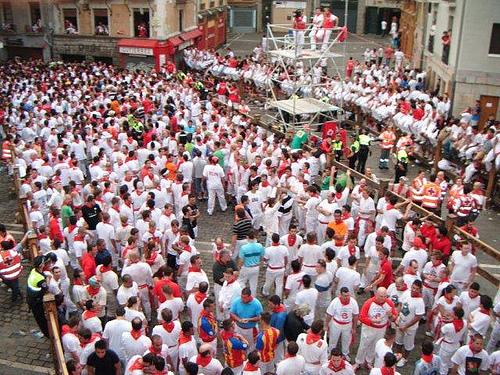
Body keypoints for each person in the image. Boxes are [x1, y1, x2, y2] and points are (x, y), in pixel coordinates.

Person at [354, 287, 397, 371]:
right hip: (369, 328)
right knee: (363, 345)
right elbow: (362, 317)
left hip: (381, 328)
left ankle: (369, 361)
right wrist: (371, 321)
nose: (383, 298)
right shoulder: (369, 303)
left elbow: (394, 318)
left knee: (375, 345)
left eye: (385, 296)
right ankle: (358, 362)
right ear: (376, 294)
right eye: (381, 296)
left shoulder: (389, 303)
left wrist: (390, 315)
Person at [394, 280, 425, 367]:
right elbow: (400, 304)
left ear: (420, 290)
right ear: (411, 286)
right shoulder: (406, 293)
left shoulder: (420, 302)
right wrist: (397, 316)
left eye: (417, 289)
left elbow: (418, 317)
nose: (414, 290)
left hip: (410, 327)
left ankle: (404, 358)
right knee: (398, 340)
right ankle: (398, 355)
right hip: (401, 322)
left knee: (408, 344)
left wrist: (406, 326)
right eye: (413, 288)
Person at [324, 287, 359, 361]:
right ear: (340, 295)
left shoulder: (353, 302)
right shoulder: (335, 302)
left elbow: (355, 316)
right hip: (336, 323)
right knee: (333, 340)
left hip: (347, 324)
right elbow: (329, 314)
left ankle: (345, 354)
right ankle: (331, 353)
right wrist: (326, 325)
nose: (347, 298)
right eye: (345, 296)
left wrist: (354, 328)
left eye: (348, 295)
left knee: (346, 340)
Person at [27, 255, 49, 337]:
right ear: (41, 265)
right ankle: (47, 333)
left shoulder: (34, 271)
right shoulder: (40, 279)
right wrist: (48, 279)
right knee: (41, 318)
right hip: (35, 301)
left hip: (31, 297)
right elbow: (46, 288)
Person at [238, 231, 264, 296]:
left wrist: (238, 268)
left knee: (240, 282)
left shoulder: (244, 247)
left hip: (246, 267)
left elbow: (241, 260)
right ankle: (252, 297)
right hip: (256, 267)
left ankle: (244, 294)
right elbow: (262, 257)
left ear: (247, 237)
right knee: (254, 285)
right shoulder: (260, 246)